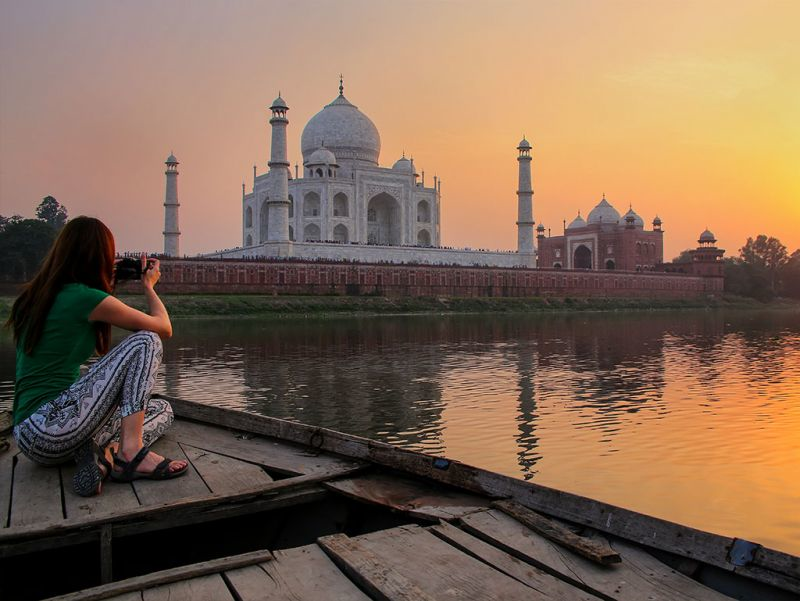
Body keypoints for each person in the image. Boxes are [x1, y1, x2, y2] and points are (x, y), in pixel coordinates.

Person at [6, 216, 188, 497]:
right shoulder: (84, 298)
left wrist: (106, 285)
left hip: (33, 436)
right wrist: (149, 286)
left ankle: (102, 456)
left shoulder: (36, 297)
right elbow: (164, 328)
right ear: (98, 256)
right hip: (50, 427)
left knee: (162, 410)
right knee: (146, 341)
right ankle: (129, 453)